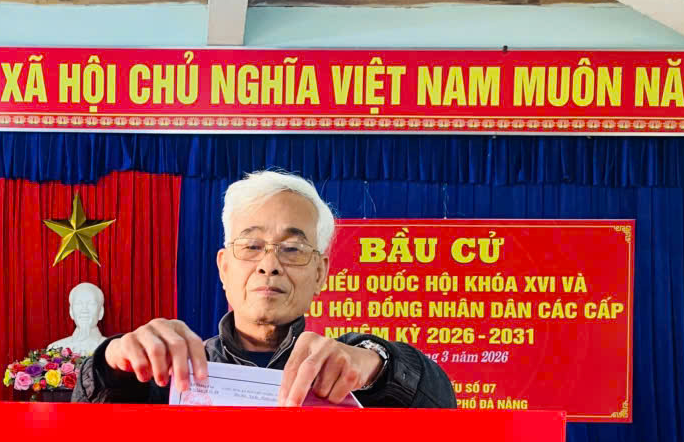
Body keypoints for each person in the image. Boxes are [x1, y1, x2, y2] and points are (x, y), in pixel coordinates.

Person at [73, 170, 456, 408]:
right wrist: (112, 364)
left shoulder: (346, 373)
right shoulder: (172, 375)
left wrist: (376, 366)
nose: (269, 264)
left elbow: (440, 406)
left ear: (320, 273)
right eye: (251, 245)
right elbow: (84, 437)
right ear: (224, 268)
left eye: (292, 249)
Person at [48, 282, 107, 355]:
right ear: (71, 311)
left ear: (101, 312)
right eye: (78, 303)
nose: (84, 310)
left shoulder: (113, 349)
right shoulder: (55, 349)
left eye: (91, 304)